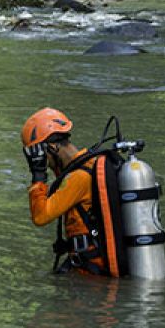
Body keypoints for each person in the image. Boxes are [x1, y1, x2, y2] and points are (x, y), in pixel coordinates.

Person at [22, 107, 110, 275]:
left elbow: (40, 217)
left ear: (53, 147)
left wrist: (38, 176)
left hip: (93, 277)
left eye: (43, 157)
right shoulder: (92, 162)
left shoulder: (78, 178)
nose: (45, 164)